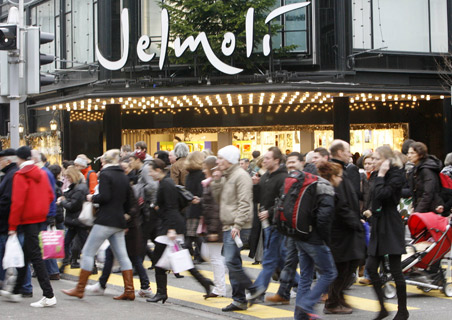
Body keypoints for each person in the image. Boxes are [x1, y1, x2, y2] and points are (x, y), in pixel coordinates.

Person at [62, 149, 135, 301]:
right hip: (119, 221)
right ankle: (129, 290)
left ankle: (80, 288)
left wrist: (92, 197)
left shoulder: (106, 174)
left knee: (88, 252)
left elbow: (104, 197)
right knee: (123, 256)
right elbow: (129, 201)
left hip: (105, 219)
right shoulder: (123, 175)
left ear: (105, 161)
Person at [146, 159, 213, 304]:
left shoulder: (166, 184)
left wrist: (171, 229)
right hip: (170, 226)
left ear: (158, 170)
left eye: (151, 171)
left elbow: (171, 207)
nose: (150, 174)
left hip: (170, 228)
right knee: (182, 261)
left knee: (160, 260)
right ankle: (205, 283)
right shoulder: (166, 183)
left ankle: (161, 293)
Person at [4, 146, 56, 307]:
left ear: (19, 159)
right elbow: (50, 195)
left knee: (35, 256)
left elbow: (17, 203)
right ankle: (17, 289)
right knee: (28, 254)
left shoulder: (20, 175)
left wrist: (12, 225)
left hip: (27, 220)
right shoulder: (41, 173)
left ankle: (48, 295)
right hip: (40, 218)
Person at [292, 162, 340, 320]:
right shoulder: (325, 187)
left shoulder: (305, 186)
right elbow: (324, 218)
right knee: (329, 273)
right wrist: (326, 240)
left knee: (305, 276)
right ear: (331, 176)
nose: (340, 179)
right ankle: (307, 305)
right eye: (339, 176)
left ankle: (300, 315)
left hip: (300, 235)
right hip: (314, 238)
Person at [365, 146, 409, 320]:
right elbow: (374, 198)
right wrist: (369, 210)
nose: (372, 162)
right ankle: (382, 307)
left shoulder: (396, 174)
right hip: (378, 222)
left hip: (390, 223)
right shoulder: (377, 175)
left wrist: (382, 175)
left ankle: (403, 310)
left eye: (376, 158)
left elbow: (383, 194)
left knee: (396, 269)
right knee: (370, 267)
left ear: (385, 159)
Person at [325, 140, 365, 315]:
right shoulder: (336, 170)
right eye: (347, 151)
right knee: (344, 266)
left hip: (344, 227)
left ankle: (338, 298)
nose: (350, 154)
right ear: (340, 152)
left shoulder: (343, 169)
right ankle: (333, 302)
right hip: (341, 228)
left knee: (348, 264)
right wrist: (354, 222)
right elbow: (340, 201)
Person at [211, 145, 254, 312]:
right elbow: (219, 199)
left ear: (229, 159)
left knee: (230, 261)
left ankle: (252, 290)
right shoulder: (227, 176)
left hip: (238, 226)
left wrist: (238, 225)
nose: (217, 161)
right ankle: (239, 299)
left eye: (220, 158)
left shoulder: (241, 176)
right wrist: (216, 180)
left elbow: (245, 203)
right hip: (229, 225)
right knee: (233, 262)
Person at [247, 147, 288, 304]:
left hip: (278, 224)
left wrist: (270, 212)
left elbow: (284, 200)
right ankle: (294, 284)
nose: (264, 160)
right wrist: (256, 185)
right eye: (264, 158)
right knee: (282, 260)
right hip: (267, 224)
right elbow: (259, 199)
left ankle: (258, 289)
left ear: (276, 160)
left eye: (268, 158)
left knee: (270, 259)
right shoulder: (265, 177)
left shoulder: (283, 177)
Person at [266, 151, 304, 305]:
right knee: (288, 260)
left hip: (302, 227)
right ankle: (284, 293)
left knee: (311, 263)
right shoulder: (289, 179)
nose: (291, 164)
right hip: (288, 226)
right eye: (289, 162)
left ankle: (316, 293)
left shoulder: (306, 179)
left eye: (294, 161)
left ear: (302, 162)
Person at [0, 149, 33, 297]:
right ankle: (24, 287)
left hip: (10, 223)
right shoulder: (15, 174)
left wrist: (12, 225)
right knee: (22, 256)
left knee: (18, 256)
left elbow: (11, 202)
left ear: (8, 160)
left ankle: (22, 287)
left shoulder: (12, 175)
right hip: (18, 222)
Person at [195, 156, 226, 298]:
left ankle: (220, 288)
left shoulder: (213, 184)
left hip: (215, 226)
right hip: (212, 225)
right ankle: (220, 285)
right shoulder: (209, 183)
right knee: (209, 255)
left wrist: (213, 230)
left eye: (204, 167)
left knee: (214, 257)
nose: (203, 170)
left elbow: (215, 208)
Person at [31, 150, 60, 280]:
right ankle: (48, 269)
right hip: (45, 212)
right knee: (44, 242)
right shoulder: (45, 172)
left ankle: (51, 270)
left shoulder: (44, 173)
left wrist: (50, 214)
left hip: (44, 213)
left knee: (44, 242)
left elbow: (50, 195)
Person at [57, 166, 89, 274]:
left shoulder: (79, 188)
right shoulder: (78, 187)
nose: (67, 179)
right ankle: (66, 263)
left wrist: (62, 202)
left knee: (82, 243)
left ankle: (67, 263)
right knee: (70, 243)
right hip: (76, 220)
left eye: (68, 177)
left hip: (77, 220)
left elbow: (73, 205)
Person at [407, 142, 444, 214]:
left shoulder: (426, 170)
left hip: (431, 209)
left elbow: (428, 193)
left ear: (420, 154)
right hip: (424, 208)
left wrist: (418, 211)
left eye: (412, 153)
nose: (409, 156)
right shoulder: (416, 169)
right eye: (408, 153)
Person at [184, 151, 206, 264]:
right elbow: (202, 191)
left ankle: (192, 255)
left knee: (192, 234)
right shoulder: (202, 174)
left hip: (190, 207)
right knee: (196, 234)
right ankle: (200, 254)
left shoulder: (188, 175)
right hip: (199, 206)